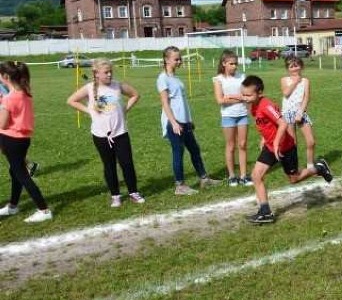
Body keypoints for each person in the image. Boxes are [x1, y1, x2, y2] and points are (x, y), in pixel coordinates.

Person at [241, 75, 332, 224]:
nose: (245, 98)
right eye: (244, 94)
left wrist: (276, 142)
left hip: (284, 146)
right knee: (256, 176)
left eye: (248, 95)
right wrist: (265, 138)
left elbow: (282, 123)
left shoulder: (265, 105)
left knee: (294, 179)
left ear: (260, 93)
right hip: (270, 146)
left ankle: (319, 168)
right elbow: (267, 124)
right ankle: (266, 212)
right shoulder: (253, 103)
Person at [66, 58, 145, 208]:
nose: (109, 75)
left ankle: (133, 192)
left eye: (110, 72)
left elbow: (135, 95)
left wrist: (125, 109)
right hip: (101, 136)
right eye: (106, 72)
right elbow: (71, 100)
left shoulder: (117, 86)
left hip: (120, 133)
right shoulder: (89, 88)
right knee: (109, 165)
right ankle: (115, 195)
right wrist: (89, 110)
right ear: (96, 73)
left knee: (127, 164)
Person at [157, 46, 221, 195]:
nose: (179, 61)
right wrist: (173, 123)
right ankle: (180, 186)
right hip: (174, 123)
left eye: (180, 59)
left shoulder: (176, 78)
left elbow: (182, 102)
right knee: (178, 152)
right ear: (167, 60)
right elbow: (165, 103)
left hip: (184, 122)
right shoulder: (163, 78)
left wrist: (189, 120)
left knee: (194, 150)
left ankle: (204, 179)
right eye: (176, 59)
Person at [0, 61, 51, 222]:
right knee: (15, 172)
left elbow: (3, 124)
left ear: (5, 77)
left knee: (22, 174)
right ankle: (13, 206)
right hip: (21, 140)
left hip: (11, 139)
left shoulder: (9, 99)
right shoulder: (25, 93)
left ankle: (43, 210)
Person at [212, 50, 250, 187]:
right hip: (228, 116)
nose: (234, 66)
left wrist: (231, 97)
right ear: (224, 64)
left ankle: (244, 175)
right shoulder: (218, 79)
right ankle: (232, 175)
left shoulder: (242, 77)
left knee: (243, 144)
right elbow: (220, 100)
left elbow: (247, 96)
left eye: (236, 63)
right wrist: (238, 98)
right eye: (231, 64)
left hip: (242, 115)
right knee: (230, 146)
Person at [281, 56, 318, 167]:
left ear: (301, 66)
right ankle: (293, 166)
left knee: (311, 141)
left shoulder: (305, 81)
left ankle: (310, 165)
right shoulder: (284, 80)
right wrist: (295, 82)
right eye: (291, 67)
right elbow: (286, 93)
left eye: (296, 66)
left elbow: (306, 97)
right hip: (288, 113)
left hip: (301, 113)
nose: (294, 69)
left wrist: (301, 112)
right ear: (288, 69)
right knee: (292, 143)